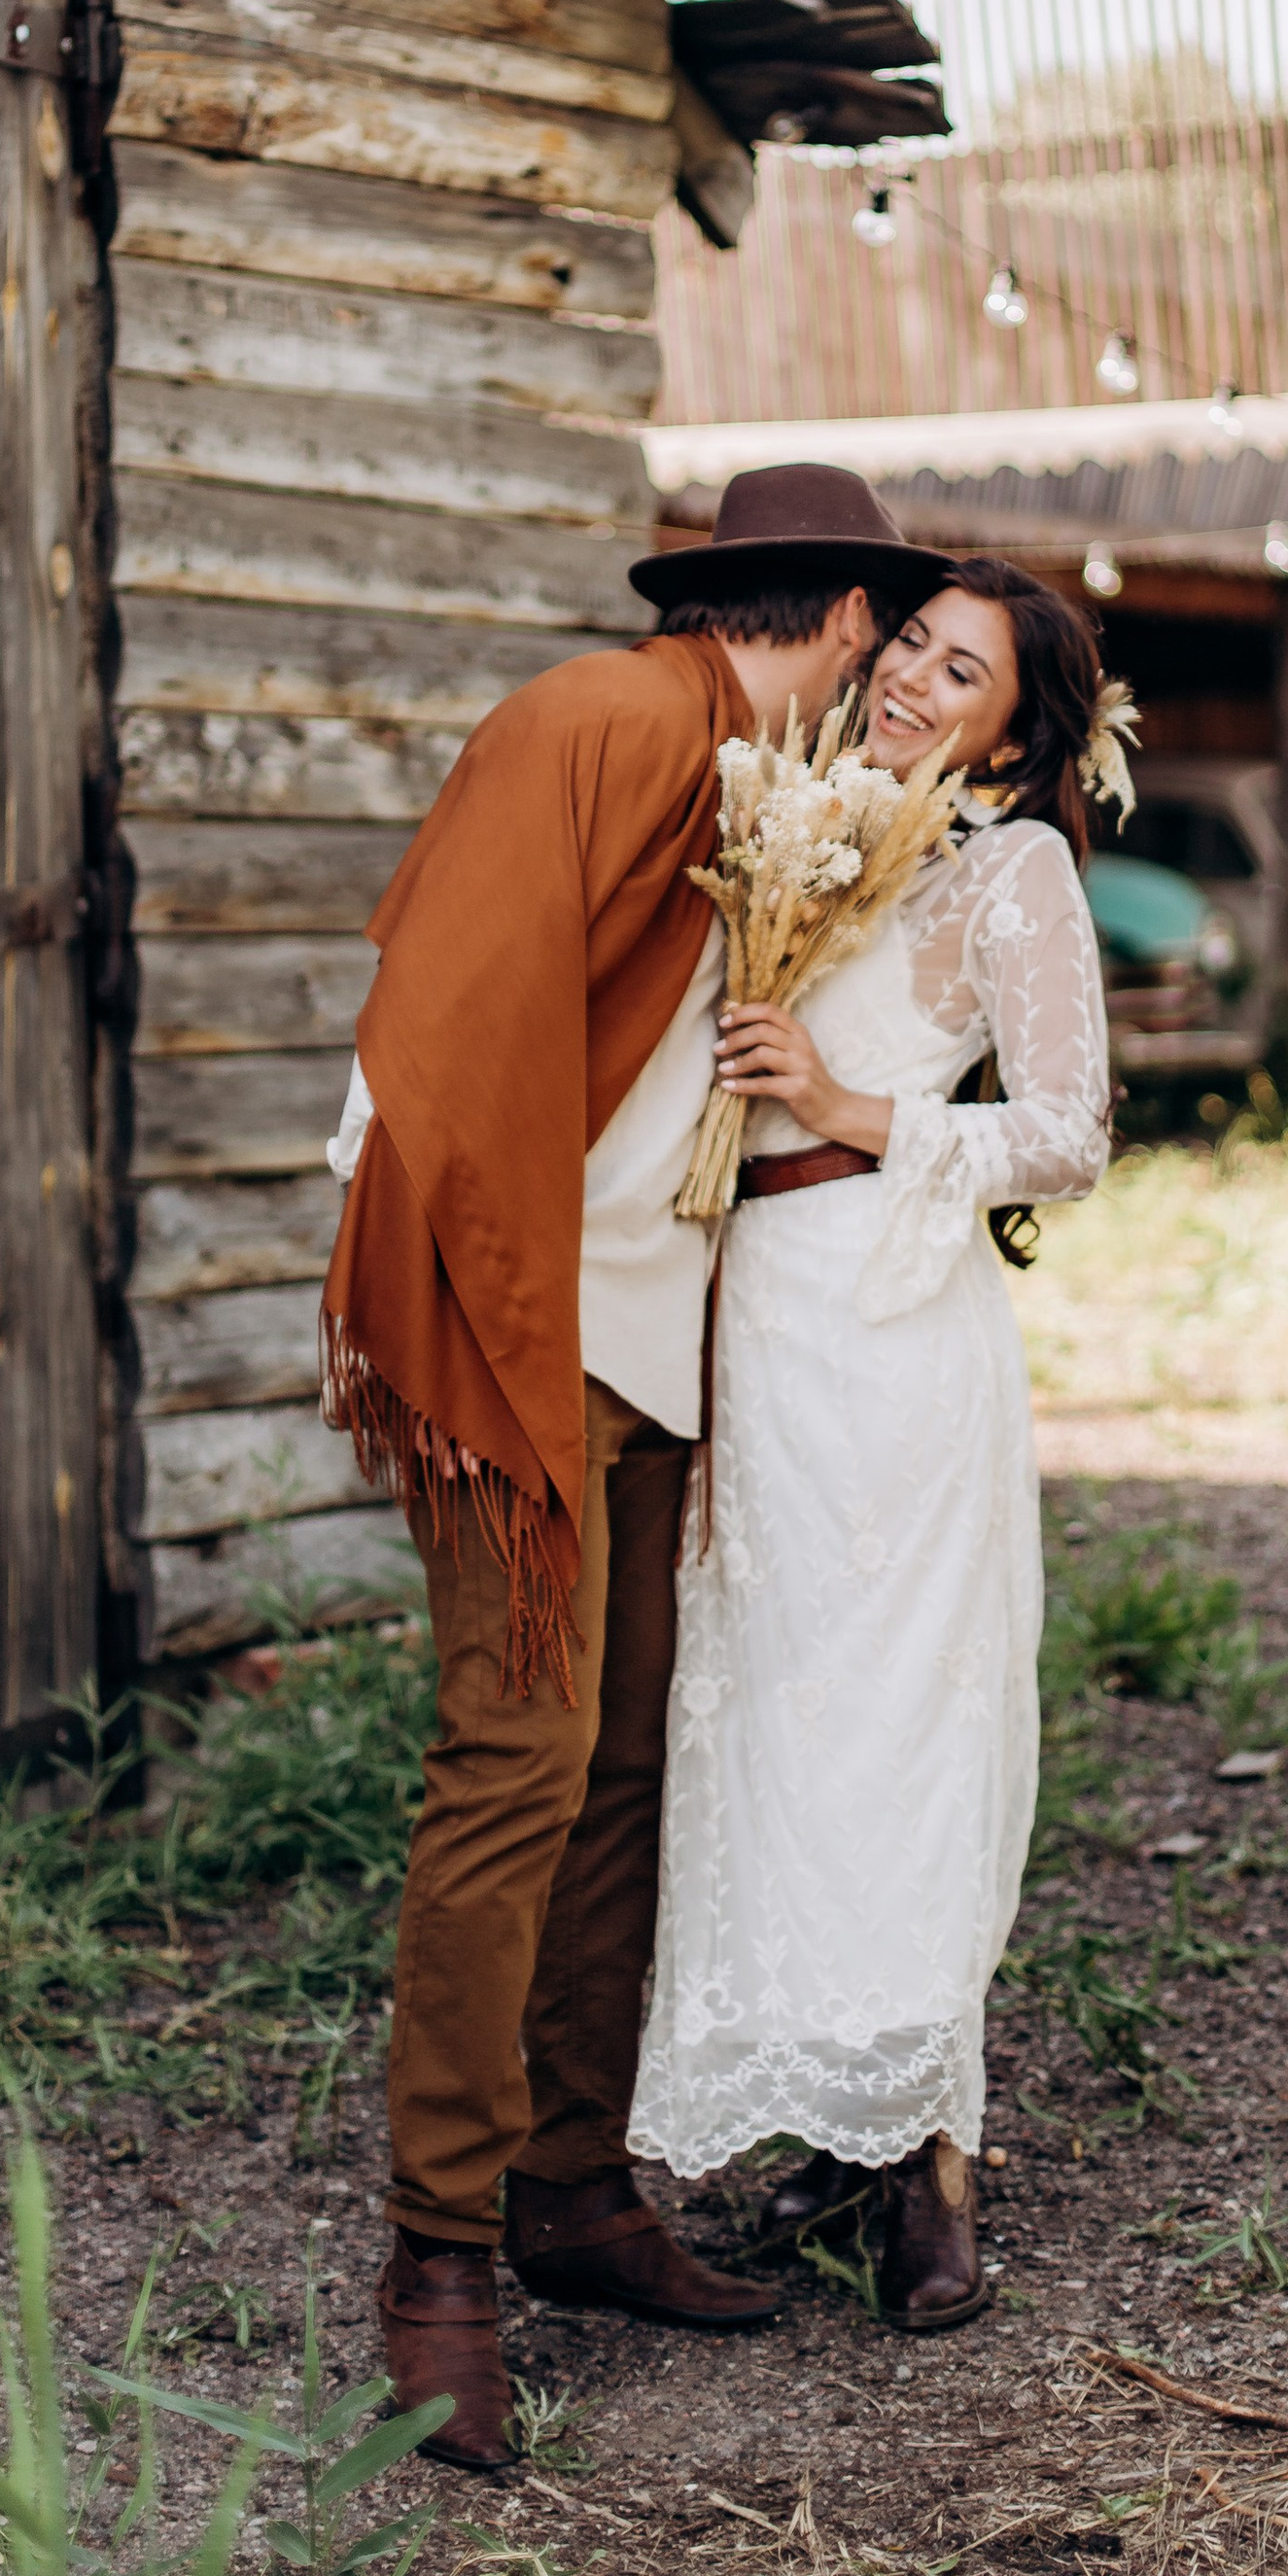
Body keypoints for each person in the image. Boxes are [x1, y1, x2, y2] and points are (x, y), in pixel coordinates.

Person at [320, 462, 950, 2470]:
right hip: (514, 1321)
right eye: (882, 638)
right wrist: (466, 1313)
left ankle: (572, 2192)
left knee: (621, 1766)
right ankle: (435, 2264)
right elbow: (436, 1028)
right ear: (840, 615)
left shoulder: (772, 784)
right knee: (513, 1760)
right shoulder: (594, 719)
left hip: (659, 1343)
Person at [629, 556, 1119, 2329]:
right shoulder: (804, 826)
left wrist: (852, 1107)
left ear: (1017, 734)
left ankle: (933, 2163)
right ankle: (835, 2127)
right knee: (775, 1714)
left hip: (900, 1324)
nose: (914, 676)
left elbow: (1069, 1133)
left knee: (905, 1720)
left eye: (962, 671)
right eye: (911, 641)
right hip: (758, 1315)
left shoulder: (1016, 870)